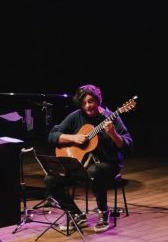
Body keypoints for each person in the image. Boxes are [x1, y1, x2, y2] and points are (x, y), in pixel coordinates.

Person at [47, 84, 133, 233]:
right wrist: (73, 138)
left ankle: (103, 212)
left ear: (98, 101)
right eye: (84, 103)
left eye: (91, 101)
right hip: (80, 164)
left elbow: (128, 146)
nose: (87, 106)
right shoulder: (76, 116)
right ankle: (76, 214)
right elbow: (52, 135)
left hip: (108, 164)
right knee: (50, 179)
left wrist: (113, 134)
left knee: (94, 171)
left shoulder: (111, 117)